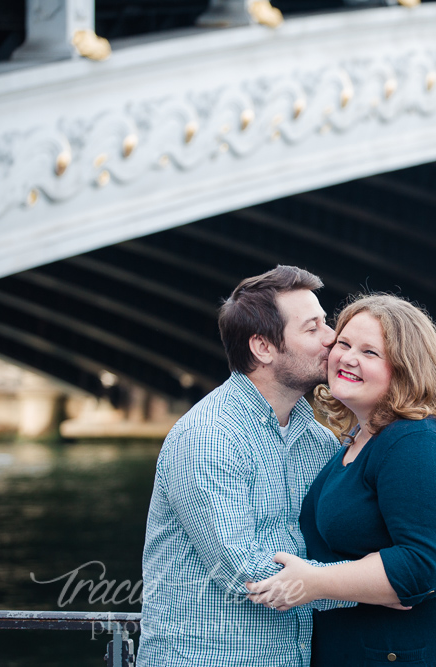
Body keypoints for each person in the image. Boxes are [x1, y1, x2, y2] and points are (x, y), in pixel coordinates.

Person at [246, 294, 436, 666]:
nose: (348, 358)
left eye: (370, 352)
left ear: (406, 368)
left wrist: (314, 583)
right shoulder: (363, 439)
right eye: (344, 343)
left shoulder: (416, 442)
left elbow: (425, 563)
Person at [139, 266, 356, 667]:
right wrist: (381, 584)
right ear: (263, 348)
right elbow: (247, 574)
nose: (332, 339)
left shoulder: (318, 440)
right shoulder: (209, 438)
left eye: (327, 323)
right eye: (313, 329)